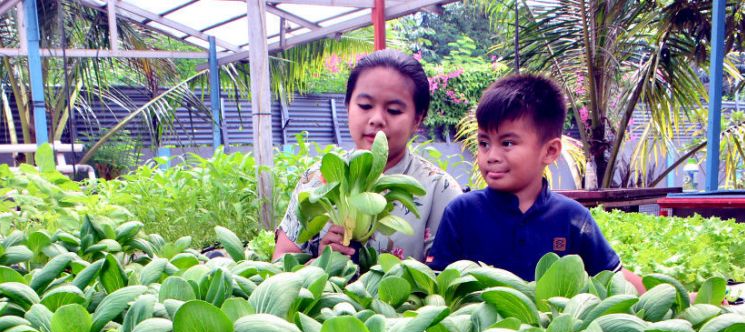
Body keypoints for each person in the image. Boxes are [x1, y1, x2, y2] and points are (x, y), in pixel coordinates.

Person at [427, 74, 645, 293]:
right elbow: (438, 288)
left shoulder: (574, 219)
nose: (490, 156)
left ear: (550, 151)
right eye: (484, 143)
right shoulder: (461, 213)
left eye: (507, 143)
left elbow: (613, 279)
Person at [273, 50, 464, 261]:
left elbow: (450, 277)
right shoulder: (317, 178)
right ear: (347, 107)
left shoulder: (440, 190)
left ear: (417, 119)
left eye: (393, 110)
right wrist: (321, 262)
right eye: (364, 106)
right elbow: (281, 261)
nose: (377, 119)